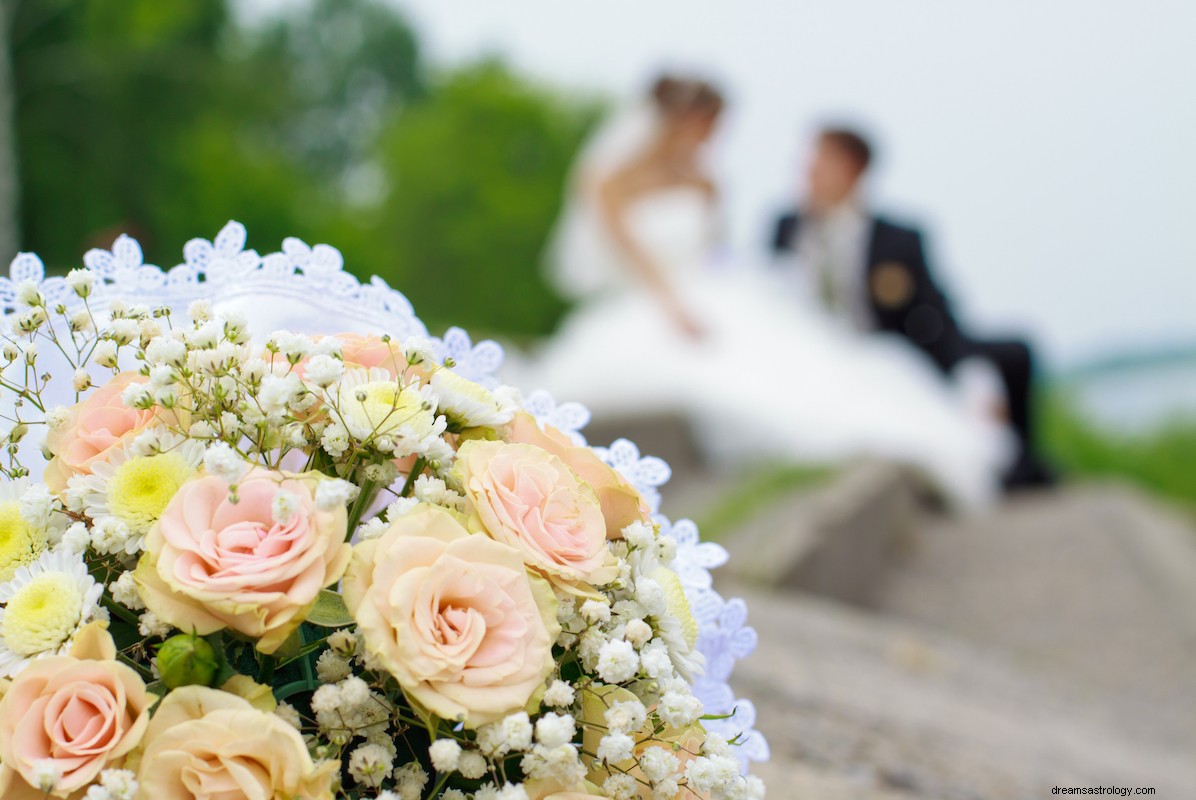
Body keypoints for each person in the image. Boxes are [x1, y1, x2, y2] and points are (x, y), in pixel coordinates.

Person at [522, 76, 1012, 509]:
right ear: (681, 121)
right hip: (651, 300)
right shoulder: (612, 180)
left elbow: (715, 252)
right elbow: (630, 256)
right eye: (707, 125)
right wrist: (673, 304)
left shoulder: (706, 180)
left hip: (713, 292)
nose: (711, 139)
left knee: (793, 363)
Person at [771, 127, 1054, 490]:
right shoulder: (786, 228)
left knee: (1016, 351)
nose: (807, 173)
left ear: (852, 169)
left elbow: (937, 311)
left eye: (819, 162)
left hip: (891, 353)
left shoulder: (900, 238)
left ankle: (1021, 463)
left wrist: (972, 374)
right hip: (815, 353)